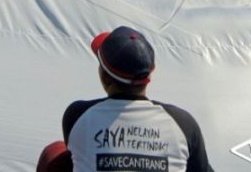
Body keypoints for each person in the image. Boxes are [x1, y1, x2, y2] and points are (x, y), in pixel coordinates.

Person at [56, 26, 214, 171]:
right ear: (151, 73)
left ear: (104, 77)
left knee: (54, 154)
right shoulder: (183, 124)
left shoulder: (77, 116)